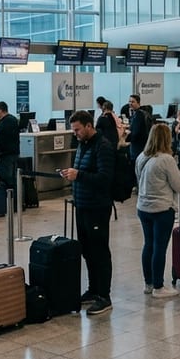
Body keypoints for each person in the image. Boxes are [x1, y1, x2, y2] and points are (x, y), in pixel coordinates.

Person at [59, 111, 115, 315]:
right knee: (87, 250)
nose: (75, 134)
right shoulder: (83, 145)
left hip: (97, 207)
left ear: (89, 126)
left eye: (77, 129)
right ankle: (93, 289)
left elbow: (104, 178)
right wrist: (73, 175)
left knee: (99, 251)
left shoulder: (103, 147)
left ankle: (104, 296)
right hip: (82, 205)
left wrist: (79, 175)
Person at [134, 124, 180, 298]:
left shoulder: (141, 157)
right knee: (159, 247)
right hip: (162, 209)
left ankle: (148, 283)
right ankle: (159, 286)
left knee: (148, 245)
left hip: (143, 207)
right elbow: (178, 185)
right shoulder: (167, 159)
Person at [0, 101, 21, 195]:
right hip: (14, 153)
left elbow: (1, 140)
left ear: (0, 110)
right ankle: (15, 202)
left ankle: (8, 203)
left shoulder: (4, 122)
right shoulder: (13, 119)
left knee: (6, 180)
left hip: (5, 156)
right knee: (14, 179)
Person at [127, 94, 149, 163]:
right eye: (129, 101)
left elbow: (136, 132)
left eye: (133, 102)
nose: (130, 103)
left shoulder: (139, 115)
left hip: (138, 148)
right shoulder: (137, 114)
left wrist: (128, 138)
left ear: (138, 103)